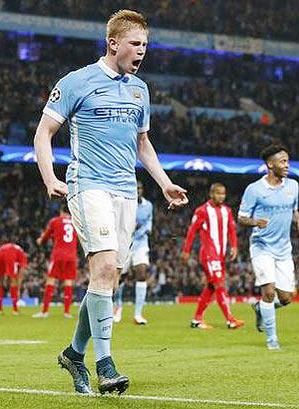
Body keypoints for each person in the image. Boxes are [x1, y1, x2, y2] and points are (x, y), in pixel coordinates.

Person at [33, 9, 188, 396]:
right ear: (113, 43)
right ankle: (105, 365)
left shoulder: (140, 90)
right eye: (136, 44)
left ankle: (73, 353)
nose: (142, 51)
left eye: (146, 45)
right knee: (103, 268)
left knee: (108, 278)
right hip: (88, 186)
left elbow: (143, 144)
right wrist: (50, 177)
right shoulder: (76, 82)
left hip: (125, 191)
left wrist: (165, 183)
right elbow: (43, 134)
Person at [238, 144, 299, 350]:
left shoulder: (293, 186)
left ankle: (261, 309)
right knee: (269, 292)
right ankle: (272, 340)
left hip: (284, 249)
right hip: (262, 247)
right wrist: (255, 222)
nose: (287, 165)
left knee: (286, 298)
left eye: (287, 161)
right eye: (283, 161)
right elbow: (242, 217)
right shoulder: (254, 189)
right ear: (270, 164)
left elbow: (294, 210)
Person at [182, 183, 244, 330]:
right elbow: (192, 231)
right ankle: (230, 320)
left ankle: (196, 320)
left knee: (211, 286)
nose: (221, 196)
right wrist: (186, 250)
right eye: (218, 193)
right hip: (209, 255)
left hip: (221, 255)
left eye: (223, 194)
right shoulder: (202, 211)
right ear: (211, 194)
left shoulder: (227, 211)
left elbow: (232, 231)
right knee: (220, 284)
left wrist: (234, 246)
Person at [113, 181, 153, 325]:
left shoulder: (148, 206)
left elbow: (149, 223)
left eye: (139, 188)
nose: (137, 190)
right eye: (135, 188)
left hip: (141, 243)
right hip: (124, 243)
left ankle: (138, 314)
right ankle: (117, 306)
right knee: (120, 277)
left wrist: (143, 230)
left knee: (142, 273)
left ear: (142, 190)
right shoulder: (122, 203)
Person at [32, 204, 79, 319]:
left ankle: (44, 312)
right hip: (72, 256)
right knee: (68, 283)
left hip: (58, 255)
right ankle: (66, 312)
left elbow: (45, 237)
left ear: (61, 212)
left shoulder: (55, 221)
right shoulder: (75, 222)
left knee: (51, 281)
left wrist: (40, 240)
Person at [0, 242, 27, 315]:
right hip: (9, 253)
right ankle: (15, 310)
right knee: (13, 280)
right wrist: (18, 289)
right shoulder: (23, 257)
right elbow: (21, 274)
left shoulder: (17, 249)